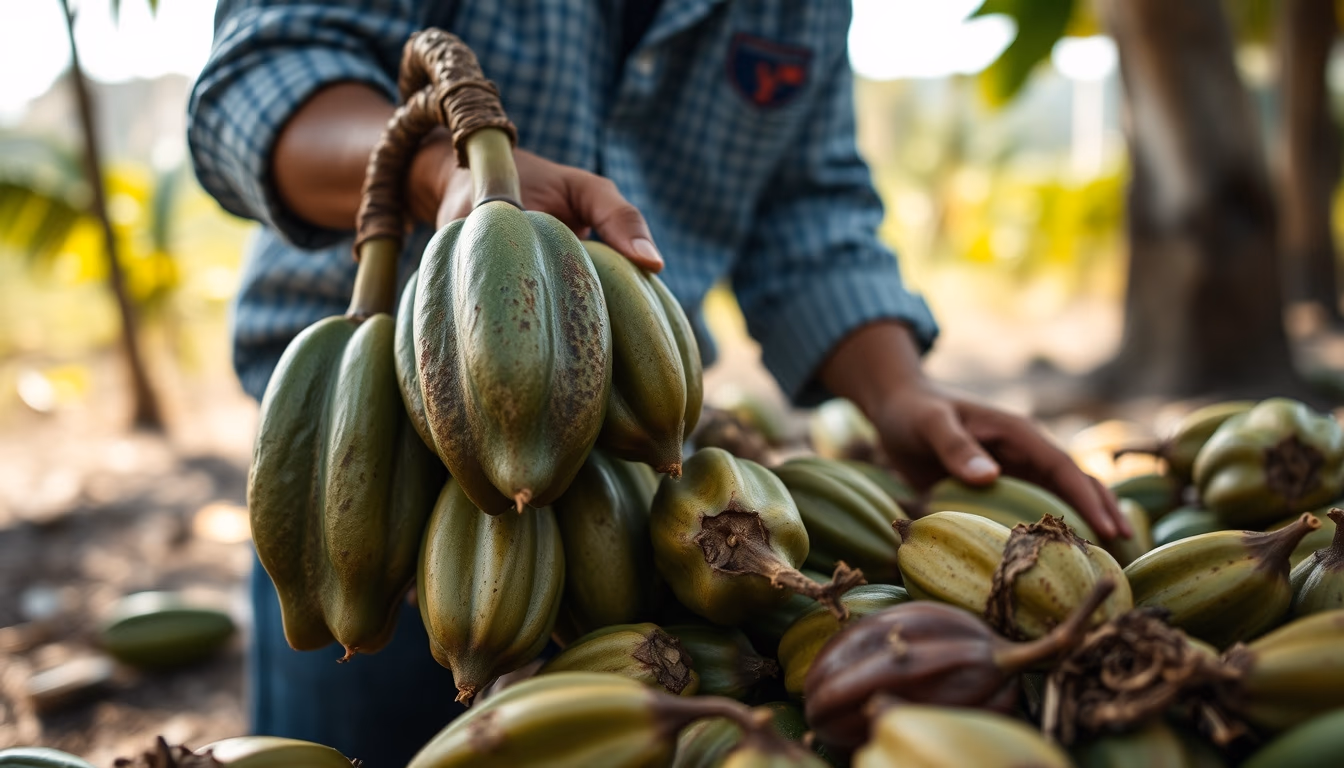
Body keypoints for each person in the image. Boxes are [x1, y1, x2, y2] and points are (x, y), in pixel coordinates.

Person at [188, 0, 1129, 764]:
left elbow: (807, 203)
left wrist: (898, 392)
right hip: (366, 484)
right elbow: (260, 78)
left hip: (629, 485)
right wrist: (444, 180)